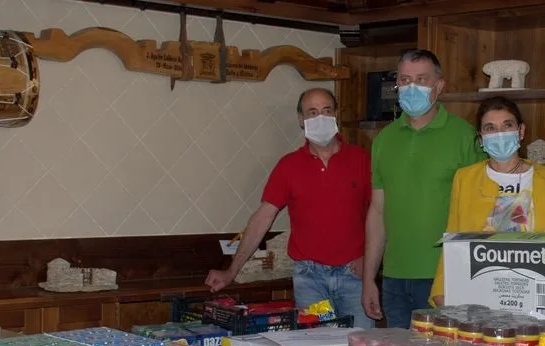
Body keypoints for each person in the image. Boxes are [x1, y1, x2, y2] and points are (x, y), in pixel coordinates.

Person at [204, 88, 374, 329]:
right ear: (301, 120)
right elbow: (262, 219)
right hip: (310, 279)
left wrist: (371, 261)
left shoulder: (362, 159)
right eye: (312, 113)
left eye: (326, 111)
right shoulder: (288, 166)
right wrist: (231, 271)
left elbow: (381, 214)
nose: (320, 117)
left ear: (336, 114)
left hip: (355, 276)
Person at [362, 49, 485, 328]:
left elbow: (479, 213)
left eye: (421, 79)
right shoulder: (384, 140)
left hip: (443, 279)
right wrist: (369, 279)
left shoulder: (464, 137)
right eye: (405, 80)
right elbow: (377, 211)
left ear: (439, 86)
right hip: (394, 279)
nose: (412, 87)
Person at [428, 96, 545, 306]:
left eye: (507, 125)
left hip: (532, 292)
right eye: (490, 128)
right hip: (477, 290)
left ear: (521, 131)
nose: (499, 133)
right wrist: (441, 289)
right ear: (481, 138)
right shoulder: (465, 179)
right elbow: (452, 236)